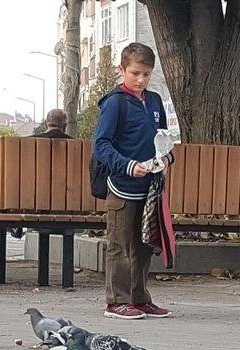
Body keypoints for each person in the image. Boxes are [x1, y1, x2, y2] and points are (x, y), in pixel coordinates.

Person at [94, 42, 173, 320]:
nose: (140, 80)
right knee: (120, 244)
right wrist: (128, 166)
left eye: (146, 74)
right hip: (122, 185)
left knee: (143, 244)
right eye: (135, 73)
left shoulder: (154, 101)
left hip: (149, 186)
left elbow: (163, 138)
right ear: (122, 70)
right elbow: (101, 145)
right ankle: (116, 301)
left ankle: (139, 298)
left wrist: (165, 159)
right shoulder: (114, 103)